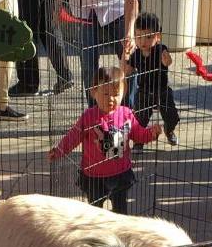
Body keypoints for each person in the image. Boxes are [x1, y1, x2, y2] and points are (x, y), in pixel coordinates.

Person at [48, 68, 160, 213]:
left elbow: (138, 134)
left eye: (116, 94)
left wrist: (151, 134)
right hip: (94, 176)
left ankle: (118, 226)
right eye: (106, 94)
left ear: (124, 92)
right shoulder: (89, 117)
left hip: (120, 173)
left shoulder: (126, 114)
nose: (111, 98)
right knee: (95, 211)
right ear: (94, 91)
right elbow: (73, 137)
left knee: (120, 211)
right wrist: (59, 150)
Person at [124, 12, 179, 145]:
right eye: (139, 37)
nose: (143, 41)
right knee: (140, 119)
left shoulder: (161, 49)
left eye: (148, 37)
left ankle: (169, 130)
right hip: (144, 91)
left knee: (172, 116)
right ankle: (139, 141)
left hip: (162, 90)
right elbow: (127, 71)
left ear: (157, 37)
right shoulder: (136, 54)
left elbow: (168, 62)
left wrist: (166, 59)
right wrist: (125, 55)